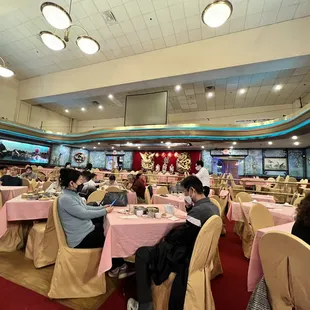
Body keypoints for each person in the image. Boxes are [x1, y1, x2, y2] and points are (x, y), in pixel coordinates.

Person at [127, 176, 219, 310]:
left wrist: (167, 237)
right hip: (200, 256)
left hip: (184, 256)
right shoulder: (212, 207)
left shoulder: (197, 211)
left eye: (185, 192)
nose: (184, 195)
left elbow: (182, 237)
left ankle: (144, 304)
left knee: (142, 253)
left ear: (192, 190)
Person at [58, 168, 133, 278]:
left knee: (109, 232)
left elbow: (86, 208)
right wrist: (104, 211)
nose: (82, 183)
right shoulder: (66, 198)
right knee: (110, 238)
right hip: (80, 238)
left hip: (86, 230)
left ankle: (117, 265)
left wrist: (102, 207)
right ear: (72, 183)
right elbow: (84, 213)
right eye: (80, 181)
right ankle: (118, 267)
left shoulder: (72, 195)